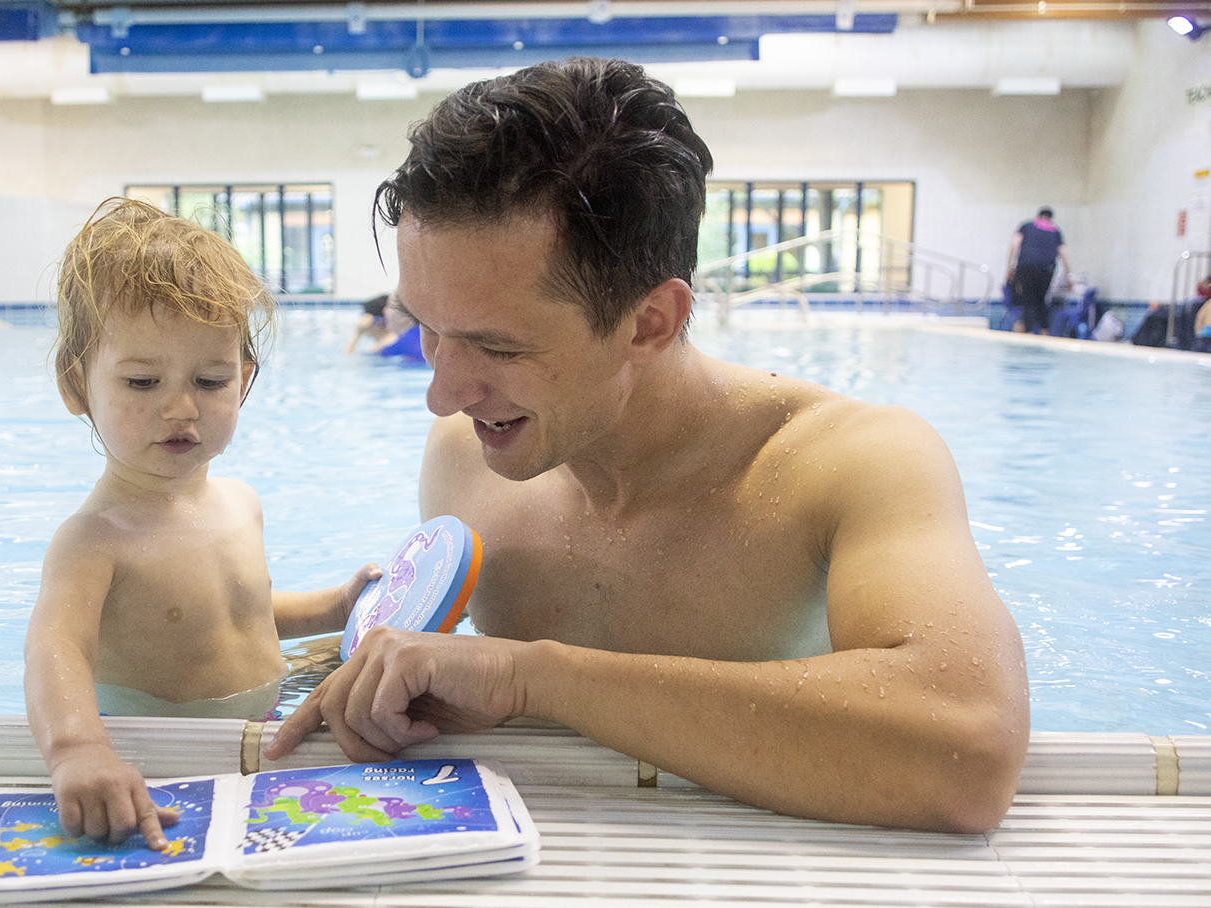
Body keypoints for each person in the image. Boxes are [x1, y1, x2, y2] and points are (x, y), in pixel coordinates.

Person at [266, 58, 1029, 835]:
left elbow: (966, 754)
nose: (442, 394)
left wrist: (536, 677)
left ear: (649, 323)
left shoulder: (851, 463)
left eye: (497, 347)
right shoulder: (465, 458)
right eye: (427, 327)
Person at [25, 198, 379, 849]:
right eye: (141, 382)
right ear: (76, 385)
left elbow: (239, 610)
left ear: (243, 382)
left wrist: (338, 606)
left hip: (265, 723)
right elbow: (56, 649)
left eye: (210, 380)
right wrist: (77, 750)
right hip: (166, 751)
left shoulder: (240, 502)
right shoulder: (94, 539)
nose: (180, 407)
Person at [1006, 208, 1072, 335]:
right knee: (1041, 299)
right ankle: (1044, 332)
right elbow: (1063, 253)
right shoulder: (1055, 230)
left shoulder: (1027, 225)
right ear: (1051, 218)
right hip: (1047, 268)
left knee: (1028, 298)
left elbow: (1014, 244)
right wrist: (1068, 276)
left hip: (1026, 265)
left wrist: (1009, 267)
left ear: (1038, 216)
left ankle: (1029, 331)